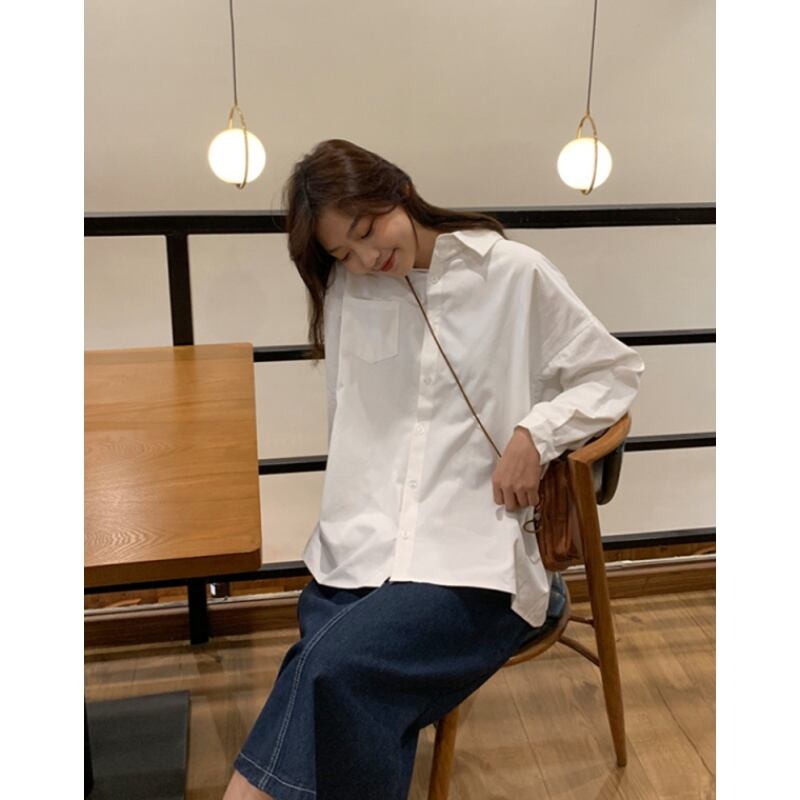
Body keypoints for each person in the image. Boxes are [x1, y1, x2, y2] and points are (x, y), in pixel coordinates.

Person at [223, 139, 645, 800]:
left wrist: (536, 434)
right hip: (361, 551)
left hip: (475, 557)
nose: (366, 258)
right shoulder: (349, 292)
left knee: (328, 670)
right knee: (337, 678)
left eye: (367, 229)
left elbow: (613, 373)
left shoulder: (510, 274)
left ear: (397, 189)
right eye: (343, 252)